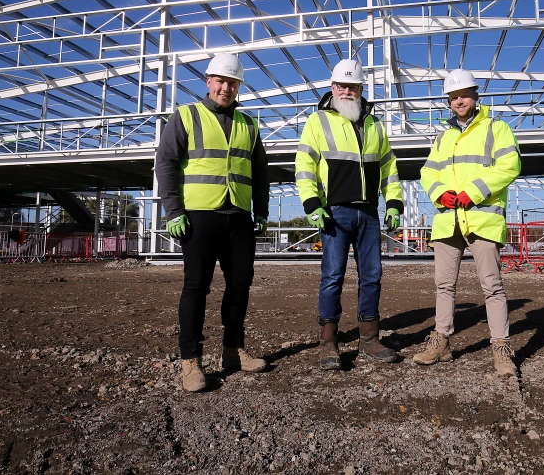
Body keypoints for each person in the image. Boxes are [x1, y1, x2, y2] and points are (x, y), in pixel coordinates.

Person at [155, 52, 269, 392]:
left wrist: (260, 210)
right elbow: (166, 164)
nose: (226, 87)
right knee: (196, 288)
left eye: (232, 83)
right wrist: (173, 211)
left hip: (238, 216)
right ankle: (191, 362)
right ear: (208, 82)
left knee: (239, 288)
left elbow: (260, 171)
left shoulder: (249, 124)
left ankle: (234, 351)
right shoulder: (186, 116)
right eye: (221, 81)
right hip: (200, 217)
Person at [295, 58, 404, 370]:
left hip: (368, 213)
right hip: (334, 212)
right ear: (332, 87)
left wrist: (394, 203)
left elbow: (389, 169)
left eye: (353, 86)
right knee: (332, 276)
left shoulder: (374, 125)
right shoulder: (318, 122)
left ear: (360, 89)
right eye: (341, 86)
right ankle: (328, 340)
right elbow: (304, 165)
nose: (347, 91)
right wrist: (311, 203)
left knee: (372, 276)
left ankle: (369, 338)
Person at [414, 69, 522, 376]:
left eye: (463, 95)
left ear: (475, 96)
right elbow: (427, 173)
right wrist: (441, 194)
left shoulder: (496, 129)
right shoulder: (443, 137)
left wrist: (472, 193)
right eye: (453, 97)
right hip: (449, 220)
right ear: (448, 102)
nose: (458, 101)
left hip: (481, 219)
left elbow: (509, 165)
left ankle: (501, 347)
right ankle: (441, 341)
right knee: (444, 285)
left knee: (492, 286)